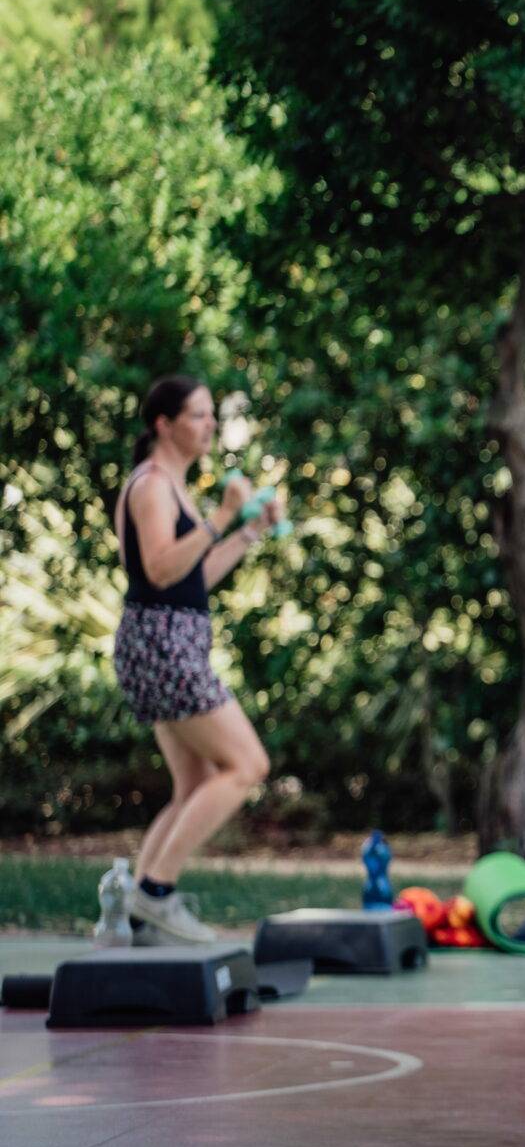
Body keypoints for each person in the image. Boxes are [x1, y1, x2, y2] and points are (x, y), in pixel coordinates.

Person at [111, 375, 280, 945]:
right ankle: (156, 893)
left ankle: (136, 913)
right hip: (162, 645)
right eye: (199, 415)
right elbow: (160, 570)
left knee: (195, 785)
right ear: (164, 424)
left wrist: (248, 531)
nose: (210, 425)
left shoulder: (172, 487)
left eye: (212, 415)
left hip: (172, 640)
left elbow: (193, 577)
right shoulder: (152, 485)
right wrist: (219, 518)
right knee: (248, 765)